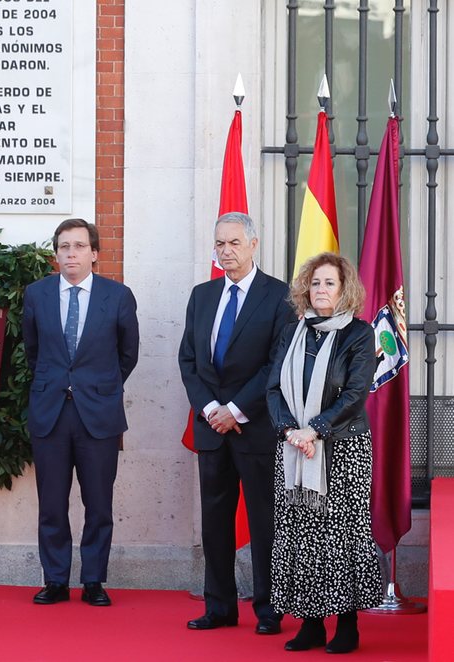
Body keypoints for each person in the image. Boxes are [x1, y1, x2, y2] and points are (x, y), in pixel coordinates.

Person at [178, 212, 293, 634]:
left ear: (253, 244)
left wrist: (236, 410)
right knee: (215, 523)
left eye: (234, 243)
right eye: (220, 244)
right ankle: (220, 606)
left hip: (255, 428)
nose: (226, 251)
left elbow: (276, 364)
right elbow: (188, 359)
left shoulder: (279, 296)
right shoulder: (202, 295)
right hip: (211, 429)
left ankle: (268, 609)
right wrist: (211, 410)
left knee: (265, 522)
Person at [266, 252, 384, 653]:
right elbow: (273, 387)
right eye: (315, 283)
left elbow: (354, 394)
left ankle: (347, 626)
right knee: (301, 536)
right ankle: (311, 625)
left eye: (329, 283)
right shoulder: (292, 332)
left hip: (343, 448)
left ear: (344, 289)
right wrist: (290, 430)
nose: (321, 290)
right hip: (295, 450)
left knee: (340, 536)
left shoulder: (359, 334)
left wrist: (314, 430)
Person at [21, 218, 139, 607]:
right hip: (50, 412)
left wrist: (98, 386)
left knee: (98, 503)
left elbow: (127, 355)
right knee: (51, 503)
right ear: (56, 254)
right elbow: (33, 352)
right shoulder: (36, 295)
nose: (71, 253)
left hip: (98, 414)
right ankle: (55, 579)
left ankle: (93, 581)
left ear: (94, 253)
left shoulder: (118, 296)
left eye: (79, 246)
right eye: (64, 246)